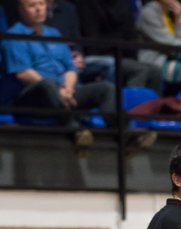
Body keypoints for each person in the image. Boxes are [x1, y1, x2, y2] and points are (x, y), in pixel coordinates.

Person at [0, 0, 115, 147]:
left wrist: (68, 88)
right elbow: (23, 73)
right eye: (32, 6)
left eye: (41, 4)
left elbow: (70, 68)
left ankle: (120, 132)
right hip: (32, 96)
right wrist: (58, 90)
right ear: (21, 10)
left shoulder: (54, 33)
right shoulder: (14, 36)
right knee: (48, 84)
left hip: (64, 93)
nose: (38, 9)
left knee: (105, 88)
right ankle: (74, 129)